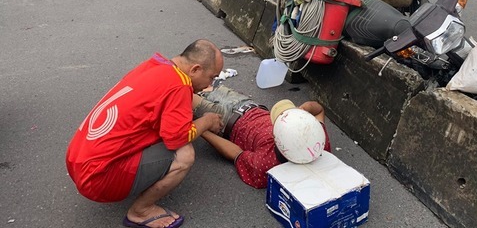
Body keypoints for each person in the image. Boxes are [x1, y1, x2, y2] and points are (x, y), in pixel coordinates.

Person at [65, 39, 225, 228]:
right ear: (195, 69)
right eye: (211, 78)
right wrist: (207, 121)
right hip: (98, 179)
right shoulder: (180, 86)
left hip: (76, 159)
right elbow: (177, 138)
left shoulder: (156, 64)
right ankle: (141, 211)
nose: (209, 85)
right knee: (185, 154)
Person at [194, 86, 332, 188]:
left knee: (184, 94)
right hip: (247, 104)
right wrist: (304, 109)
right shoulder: (319, 142)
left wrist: (202, 130)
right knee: (203, 83)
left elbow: (236, 153)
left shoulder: (267, 165)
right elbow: (319, 109)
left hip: (224, 120)